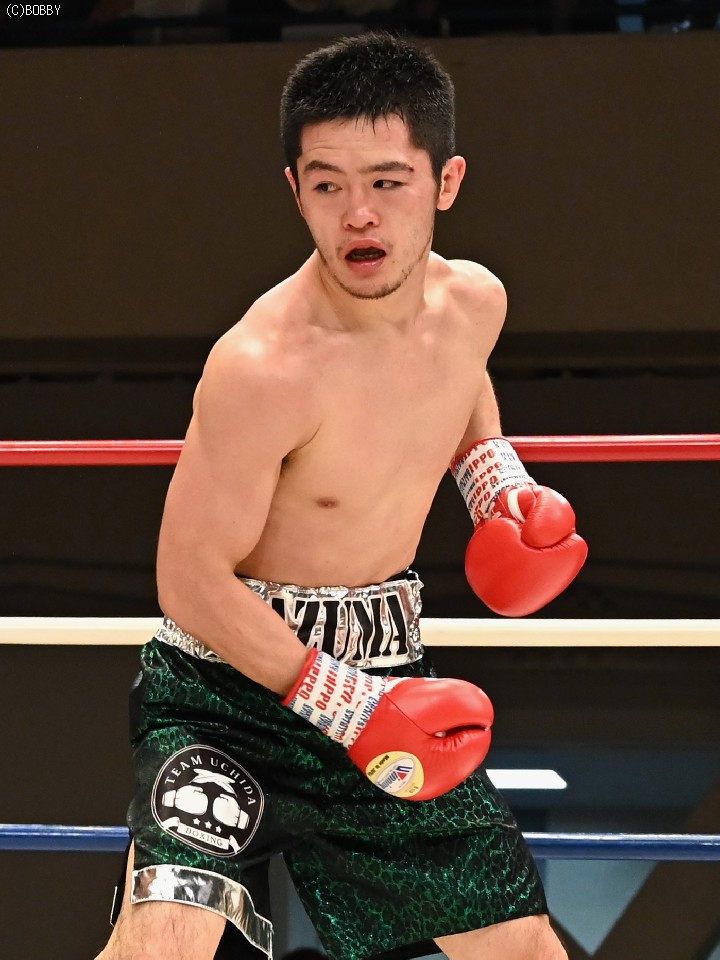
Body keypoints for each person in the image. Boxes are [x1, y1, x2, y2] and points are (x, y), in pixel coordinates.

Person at [96, 31, 586, 960]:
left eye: (388, 182)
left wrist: (495, 479)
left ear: (445, 182)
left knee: (524, 949)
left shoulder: (476, 303)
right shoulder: (262, 366)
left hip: (387, 668)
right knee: (165, 943)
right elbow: (189, 581)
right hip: (224, 700)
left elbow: (460, 381)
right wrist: (345, 704)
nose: (358, 214)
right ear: (296, 191)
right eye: (327, 185)